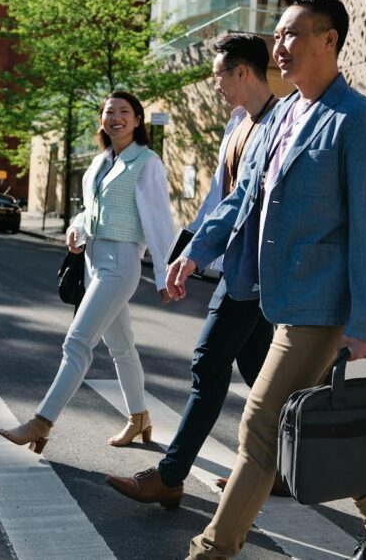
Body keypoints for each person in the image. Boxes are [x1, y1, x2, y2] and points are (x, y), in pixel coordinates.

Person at [169, 0, 366, 560]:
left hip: (322, 308)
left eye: (292, 34)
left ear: (329, 41)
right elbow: (242, 200)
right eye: (277, 35)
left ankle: (212, 549)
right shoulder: (281, 117)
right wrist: (193, 251)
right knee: (327, 423)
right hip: (278, 298)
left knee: (259, 424)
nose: (279, 45)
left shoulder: (358, 120)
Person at [106, 34, 280, 509]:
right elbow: (218, 200)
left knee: (208, 364)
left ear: (242, 72)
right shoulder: (237, 123)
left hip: (256, 270)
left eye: (219, 74)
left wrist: (196, 255)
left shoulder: (280, 124)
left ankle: (170, 474)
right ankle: (280, 468)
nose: (215, 83)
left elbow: (250, 204)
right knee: (259, 370)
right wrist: (187, 251)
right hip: (238, 266)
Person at [0, 91, 175, 453]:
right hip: (94, 261)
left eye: (125, 112)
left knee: (77, 342)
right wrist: (77, 226)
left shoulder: (147, 161)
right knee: (122, 348)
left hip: (121, 263)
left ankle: (42, 421)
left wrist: (164, 274)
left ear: (138, 120)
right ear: (101, 121)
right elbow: (89, 208)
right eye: (109, 112)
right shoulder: (99, 163)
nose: (116, 118)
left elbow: (159, 221)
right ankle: (139, 416)